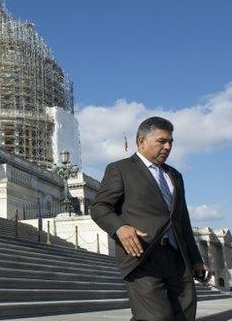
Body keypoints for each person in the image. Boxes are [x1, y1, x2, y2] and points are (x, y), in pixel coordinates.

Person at [91, 117, 210, 321]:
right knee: (156, 317)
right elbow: (99, 206)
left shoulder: (175, 175)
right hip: (143, 256)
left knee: (184, 315)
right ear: (141, 141)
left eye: (170, 142)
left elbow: (182, 220)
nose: (168, 146)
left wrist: (196, 259)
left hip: (177, 258)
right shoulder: (120, 169)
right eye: (161, 141)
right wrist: (120, 228)